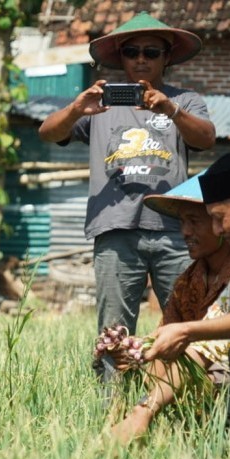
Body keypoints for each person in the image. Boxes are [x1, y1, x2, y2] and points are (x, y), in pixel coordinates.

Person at [38, 12, 216, 388]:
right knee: (114, 331)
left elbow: (206, 139)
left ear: (166, 57)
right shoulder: (99, 104)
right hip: (115, 229)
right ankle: (112, 407)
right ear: (120, 57)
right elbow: (47, 132)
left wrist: (169, 109)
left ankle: (186, 402)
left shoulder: (184, 100)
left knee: (187, 322)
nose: (141, 59)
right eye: (132, 51)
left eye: (151, 52)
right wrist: (76, 109)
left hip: (174, 232)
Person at [111, 155, 230, 444]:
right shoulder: (188, 283)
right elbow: (172, 339)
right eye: (182, 222)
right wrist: (140, 352)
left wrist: (144, 410)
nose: (185, 232)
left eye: (202, 220)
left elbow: (205, 346)